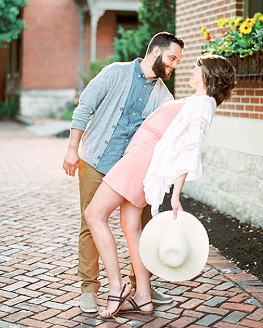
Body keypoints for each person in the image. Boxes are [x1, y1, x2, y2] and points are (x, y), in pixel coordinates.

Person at [84, 54, 236, 318]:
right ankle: (143, 296)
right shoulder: (201, 102)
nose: (190, 71)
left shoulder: (203, 105)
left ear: (209, 75)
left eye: (196, 68)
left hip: (141, 159)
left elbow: (189, 150)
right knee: (131, 227)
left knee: (94, 215)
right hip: (143, 159)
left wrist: (176, 195)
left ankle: (117, 287)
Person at [62, 32, 184, 313]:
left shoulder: (164, 97)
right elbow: (84, 108)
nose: (174, 65)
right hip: (96, 161)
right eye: (171, 58)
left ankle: (141, 287)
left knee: (137, 226)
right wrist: (72, 149)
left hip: (133, 170)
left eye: (177, 61)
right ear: (155, 52)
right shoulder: (115, 73)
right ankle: (89, 289)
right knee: (90, 223)